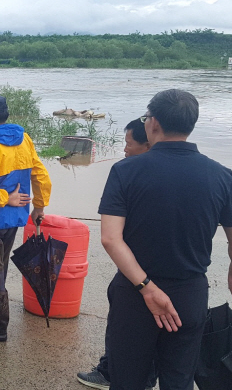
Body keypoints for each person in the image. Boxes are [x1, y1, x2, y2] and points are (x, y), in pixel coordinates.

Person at [99, 89, 232, 389]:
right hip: (189, 293)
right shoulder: (221, 175)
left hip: (134, 294)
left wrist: (147, 289)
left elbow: (110, 239)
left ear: (153, 123)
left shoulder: (125, 171)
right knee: (179, 379)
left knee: (127, 379)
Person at [77, 117, 155, 389]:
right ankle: (141, 376)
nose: (124, 149)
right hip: (177, 274)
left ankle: (113, 371)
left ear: (149, 142)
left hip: (135, 271)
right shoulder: (200, 172)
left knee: (124, 324)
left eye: (128, 144)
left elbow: (110, 238)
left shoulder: (126, 171)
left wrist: (143, 284)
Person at [0, 94, 51, 342]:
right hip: (14, 219)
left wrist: (4, 198)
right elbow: (41, 175)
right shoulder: (24, 138)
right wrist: (39, 206)